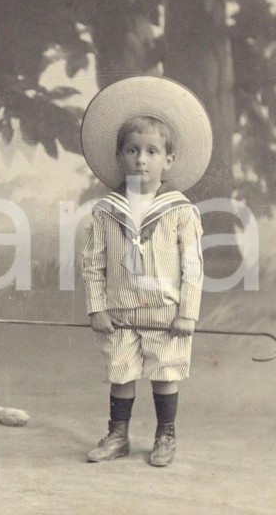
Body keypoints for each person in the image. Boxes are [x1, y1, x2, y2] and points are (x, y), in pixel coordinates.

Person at [79, 76, 212, 467]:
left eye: (152, 152)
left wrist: (187, 313)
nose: (141, 159)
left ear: (168, 160)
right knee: (121, 373)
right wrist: (96, 308)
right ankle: (118, 435)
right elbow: (93, 264)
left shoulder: (180, 211)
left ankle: (165, 435)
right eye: (133, 150)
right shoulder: (106, 211)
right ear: (120, 156)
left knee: (164, 371)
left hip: (165, 314)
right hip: (119, 312)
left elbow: (194, 267)